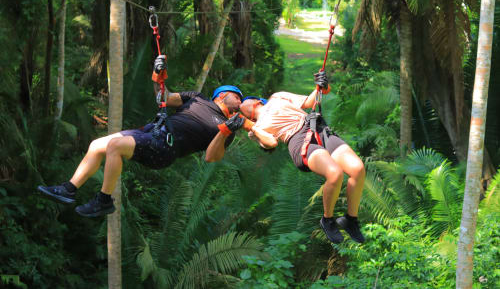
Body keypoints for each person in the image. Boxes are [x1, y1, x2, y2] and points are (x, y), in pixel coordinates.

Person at [38, 57, 247, 217]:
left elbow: (211, 157)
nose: (240, 101)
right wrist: (157, 75)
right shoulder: (196, 98)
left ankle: (104, 200)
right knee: (97, 145)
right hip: (153, 131)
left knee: (115, 146)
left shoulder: (228, 127)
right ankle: (69, 189)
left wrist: (226, 130)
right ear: (221, 95)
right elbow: (162, 98)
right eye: (237, 96)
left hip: (166, 147)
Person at [239, 72, 366, 243]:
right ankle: (327, 220)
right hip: (299, 142)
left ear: (257, 101)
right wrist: (252, 127)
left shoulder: (277, 97)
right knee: (335, 174)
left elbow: (309, 101)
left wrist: (321, 86)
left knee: (358, 169)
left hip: (317, 128)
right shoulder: (255, 129)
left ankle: (350, 219)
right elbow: (271, 143)